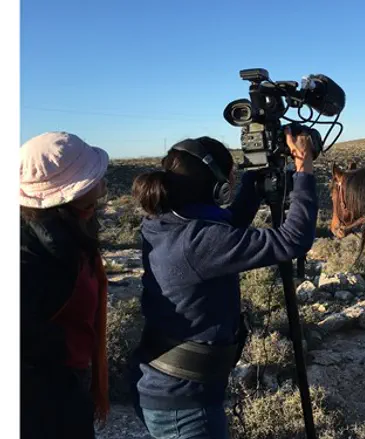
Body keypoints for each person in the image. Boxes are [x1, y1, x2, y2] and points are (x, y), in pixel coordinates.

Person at [127, 128, 318, 439]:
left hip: (165, 386)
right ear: (216, 188)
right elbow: (293, 240)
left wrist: (253, 183)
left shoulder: (167, 222)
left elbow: (223, 232)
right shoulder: (198, 241)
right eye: (230, 177)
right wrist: (304, 169)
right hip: (185, 405)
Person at [20, 131, 111, 438]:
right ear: (74, 192)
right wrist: (59, 354)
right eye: (92, 175)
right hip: (45, 401)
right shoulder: (32, 254)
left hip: (64, 388)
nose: (103, 181)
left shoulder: (68, 231)